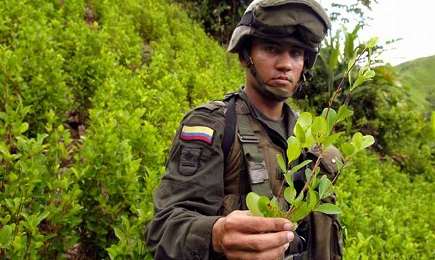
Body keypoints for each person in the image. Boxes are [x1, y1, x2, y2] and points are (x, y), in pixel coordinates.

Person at [145, 0, 343, 259]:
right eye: (271, 49)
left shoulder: (311, 136)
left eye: (296, 53)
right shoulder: (212, 125)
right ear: (244, 56)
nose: (285, 64)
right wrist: (215, 234)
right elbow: (162, 230)